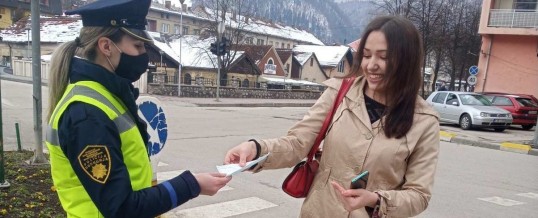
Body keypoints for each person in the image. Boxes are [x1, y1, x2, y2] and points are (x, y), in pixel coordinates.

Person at [224, 16, 440, 218]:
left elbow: (419, 194)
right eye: (366, 55)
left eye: (383, 57)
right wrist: (256, 149)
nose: (371, 65)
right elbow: (297, 143)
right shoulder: (340, 92)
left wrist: (377, 200)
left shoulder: (424, 120)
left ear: (407, 61)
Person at [45, 0, 231, 217]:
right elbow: (122, 208)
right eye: (138, 46)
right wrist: (192, 185)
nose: (145, 55)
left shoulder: (107, 97)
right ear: (106, 46)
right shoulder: (86, 114)